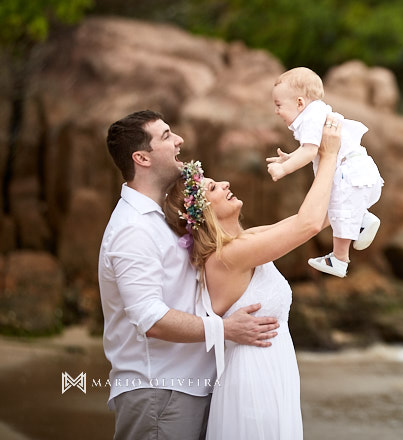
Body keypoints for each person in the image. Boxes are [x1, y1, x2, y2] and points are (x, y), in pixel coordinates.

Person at [100, 110, 281, 440]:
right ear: (141, 157)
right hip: (160, 390)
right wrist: (225, 329)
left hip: (188, 388)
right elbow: (150, 318)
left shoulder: (163, 219)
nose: (179, 140)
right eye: (167, 136)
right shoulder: (132, 228)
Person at [163, 114, 342, 439]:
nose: (226, 184)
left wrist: (326, 158)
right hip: (254, 385)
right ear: (203, 213)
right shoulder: (227, 257)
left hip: (273, 374)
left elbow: (323, 217)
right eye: (214, 188)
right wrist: (328, 156)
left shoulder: (245, 242)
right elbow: (308, 225)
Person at [266, 66, 384, 278]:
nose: (276, 111)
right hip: (361, 169)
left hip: (350, 173)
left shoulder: (310, 117)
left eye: (278, 105)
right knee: (340, 206)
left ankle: (339, 259)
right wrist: (290, 157)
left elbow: (310, 151)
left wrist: (284, 168)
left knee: (338, 210)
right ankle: (363, 220)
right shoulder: (317, 112)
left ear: (300, 102)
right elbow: (312, 148)